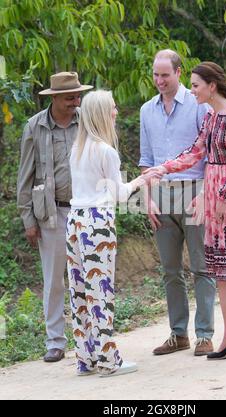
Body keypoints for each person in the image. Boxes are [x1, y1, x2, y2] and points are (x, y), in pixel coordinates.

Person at [145, 62, 226, 361]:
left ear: (211, 86)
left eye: (196, 85)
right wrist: (164, 167)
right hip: (213, 196)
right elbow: (196, 152)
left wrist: (224, 197)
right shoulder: (212, 118)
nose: (192, 90)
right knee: (223, 272)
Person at [139, 49, 216, 356]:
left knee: (201, 266)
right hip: (161, 195)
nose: (159, 80)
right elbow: (146, 160)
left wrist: (204, 194)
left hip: (195, 190)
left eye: (165, 75)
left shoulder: (198, 106)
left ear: (179, 73)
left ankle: (205, 334)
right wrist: (147, 197)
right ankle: (178, 333)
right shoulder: (147, 110)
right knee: (171, 270)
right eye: (156, 75)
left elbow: (211, 155)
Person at [67, 89, 148, 376]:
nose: (115, 112)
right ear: (102, 113)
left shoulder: (77, 149)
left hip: (74, 221)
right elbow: (119, 195)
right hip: (97, 223)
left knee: (79, 291)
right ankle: (108, 360)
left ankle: (85, 358)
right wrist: (141, 180)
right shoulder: (106, 151)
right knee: (100, 290)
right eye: (112, 108)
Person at [17, 72, 93, 363]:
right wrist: (28, 218)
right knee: (54, 279)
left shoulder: (86, 120)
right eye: (70, 98)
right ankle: (55, 341)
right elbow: (25, 176)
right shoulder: (34, 126)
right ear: (54, 99)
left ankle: (89, 335)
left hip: (86, 208)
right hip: (51, 212)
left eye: (78, 96)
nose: (76, 102)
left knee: (87, 275)